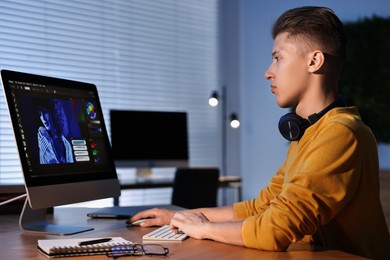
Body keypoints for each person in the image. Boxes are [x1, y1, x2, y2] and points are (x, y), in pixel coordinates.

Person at [129, 6, 390, 259]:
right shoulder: (310, 132)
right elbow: (262, 206)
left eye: (278, 58)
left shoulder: (341, 133)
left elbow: (276, 228)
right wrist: (175, 217)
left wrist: (202, 228)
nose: (268, 72)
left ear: (314, 61)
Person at [37, 99, 74, 164]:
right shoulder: (42, 134)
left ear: (54, 112)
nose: (43, 118)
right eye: (40, 114)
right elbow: (52, 161)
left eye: (45, 112)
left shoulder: (67, 145)